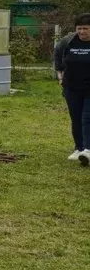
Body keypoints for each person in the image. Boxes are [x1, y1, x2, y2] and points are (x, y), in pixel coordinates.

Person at [55, 13, 90, 165]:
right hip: (72, 87)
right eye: (79, 28)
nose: (82, 32)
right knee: (76, 117)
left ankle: (88, 150)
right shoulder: (68, 41)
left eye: (86, 28)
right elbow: (58, 57)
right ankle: (79, 148)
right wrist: (60, 76)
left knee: (87, 117)